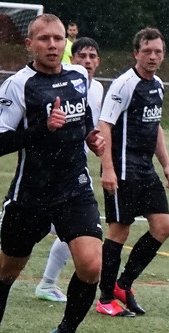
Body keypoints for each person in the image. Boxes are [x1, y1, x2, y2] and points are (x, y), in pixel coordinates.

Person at [0, 14, 105, 333]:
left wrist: (92, 137)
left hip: (74, 188)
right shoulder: (17, 85)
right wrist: (42, 128)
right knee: (7, 271)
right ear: (30, 44)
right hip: (31, 194)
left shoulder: (78, 76)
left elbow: (83, 119)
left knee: (92, 266)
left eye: (57, 38)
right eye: (44, 39)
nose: (52, 45)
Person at [95, 27, 169, 317]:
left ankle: (123, 284)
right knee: (119, 230)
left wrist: (166, 164)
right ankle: (105, 298)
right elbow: (104, 125)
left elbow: (155, 127)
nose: (153, 56)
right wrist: (108, 169)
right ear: (136, 53)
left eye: (158, 51)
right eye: (147, 51)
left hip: (145, 168)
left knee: (163, 228)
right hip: (122, 168)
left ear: (163, 55)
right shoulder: (124, 84)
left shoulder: (158, 85)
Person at [35, 37, 104, 303]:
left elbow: (93, 126)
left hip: (76, 171)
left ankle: (47, 283)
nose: (87, 61)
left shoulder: (98, 89)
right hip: (46, 170)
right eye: (82, 56)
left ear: (98, 61)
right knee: (30, 232)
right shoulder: (59, 86)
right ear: (72, 60)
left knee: (79, 229)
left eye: (92, 56)